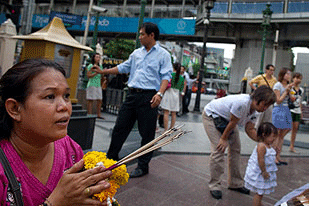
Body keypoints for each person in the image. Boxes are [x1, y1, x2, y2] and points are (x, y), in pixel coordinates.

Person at [0, 59, 112, 205]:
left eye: (66, 96)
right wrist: (57, 201)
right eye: (50, 97)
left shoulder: (70, 149)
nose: (64, 106)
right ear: (14, 109)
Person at [97, 22, 173, 178]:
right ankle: (111, 160)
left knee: (147, 134)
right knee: (120, 128)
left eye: (142, 34)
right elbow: (123, 67)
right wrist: (102, 71)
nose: (139, 37)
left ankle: (143, 166)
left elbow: (166, 76)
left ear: (152, 35)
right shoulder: (136, 53)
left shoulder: (164, 54)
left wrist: (159, 94)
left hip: (149, 97)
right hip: (131, 95)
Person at [202, 85, 276, 200]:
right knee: (219, 150)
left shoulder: (257, 111)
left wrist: (263, 141)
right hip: (212, 116)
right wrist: (223, 138)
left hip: (229, 121)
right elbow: (232, 122)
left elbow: (250, 129)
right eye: (265, 104)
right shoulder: (242, 103)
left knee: (236, 149)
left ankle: (235, 183)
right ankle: (214, 185)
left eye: (268, 105)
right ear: (257, 99)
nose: (265, 108)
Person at [244, 122, 278, 206]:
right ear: (264, 135)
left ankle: (259, 204)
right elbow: (261, 160)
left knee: (261, 193)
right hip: (260, 173)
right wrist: (264, 171)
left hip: (264, 172)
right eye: (272, 136)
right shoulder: (261, 146)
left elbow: (269, 157)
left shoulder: (268, 145)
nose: (274, 138)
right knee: (259, 193)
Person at [272, 68, 294, 165]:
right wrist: (286, 91)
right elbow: (278, 100)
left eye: (290, 74)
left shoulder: (288, 86)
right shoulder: (278, 85)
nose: (289, 75)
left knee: (283, 134)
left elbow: (292, 99)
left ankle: (278, 156)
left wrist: (290, 91)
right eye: (287, 74)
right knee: (277, 133)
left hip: (286, 109)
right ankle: (273, 157)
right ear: (283, 75)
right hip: (278, 109)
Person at [160, 62, 185, 131]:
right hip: (176, 95)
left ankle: (165, 130)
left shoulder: (170, 75)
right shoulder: (182, 78)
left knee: (166, 112)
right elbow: (181, 88)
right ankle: (171, 128)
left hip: (168, 93)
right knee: (174, 113)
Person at [86, 53, 104, 119]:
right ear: (93, 58)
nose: (98, 59)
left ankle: (98, 114)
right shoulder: (90, 65)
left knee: (99, 99)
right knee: (90, 99)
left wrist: (100, 71)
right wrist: (96, 72)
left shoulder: (100, 66)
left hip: (98, 84)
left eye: (99, 57)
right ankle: (89, 113)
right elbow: (88, 75)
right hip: (92, 84)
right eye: (96, 57)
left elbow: (102, 75)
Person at [289, 72, 304, 153]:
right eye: (296, 78)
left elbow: (300, 101)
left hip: (297, 110)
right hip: (291, 109)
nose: (298, 80)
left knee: (295, 129)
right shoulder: (290, 88)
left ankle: (292, 145)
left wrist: (301, 112)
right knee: (287, 128)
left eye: (299, 78)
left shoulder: (301, 90)